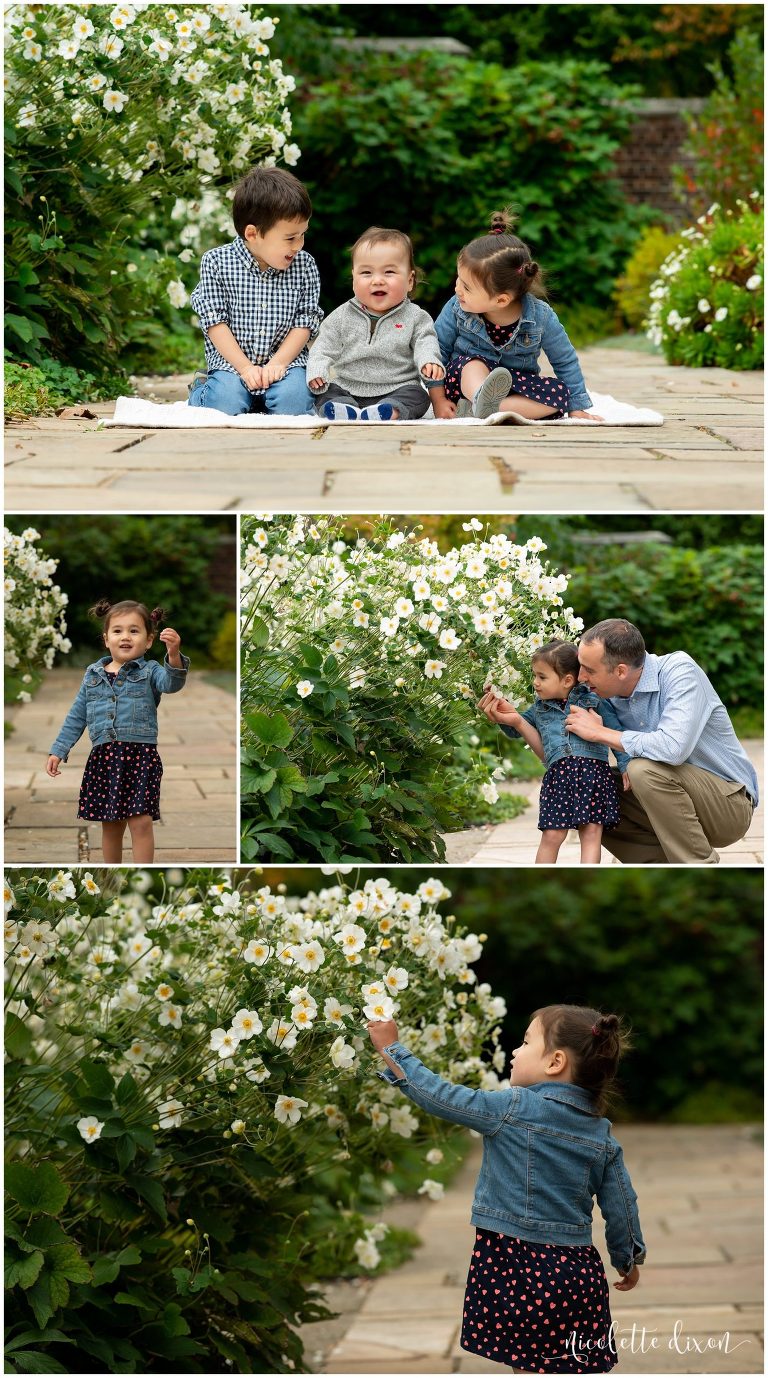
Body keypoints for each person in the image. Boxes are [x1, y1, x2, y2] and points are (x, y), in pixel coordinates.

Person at [368, 1005, 645, 1374]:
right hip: (578, 1275)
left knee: (529, 1367)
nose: (515, 1050)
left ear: (555, 1062)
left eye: (526, 1041)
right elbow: (622, 1206)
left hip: (516, 1267)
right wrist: (627, 1258)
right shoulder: (601, 1133)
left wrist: (393, 1049)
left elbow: (440, 1096)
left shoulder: (510, 1108)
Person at [566, 619, 759, 864]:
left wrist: (600, 733)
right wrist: (518, 721)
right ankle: (662, 869)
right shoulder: (605, 694)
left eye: (589, 670)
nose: (581, 677)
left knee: (643, 770)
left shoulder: (679, 672)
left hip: (729, 806)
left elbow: (673, 748)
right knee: (584, 785)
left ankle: (698, 868)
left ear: (621, 671)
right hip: (669, 801)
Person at [46, 600, 189, 864]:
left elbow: (172, 684)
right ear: (106, 639)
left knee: (141, 821)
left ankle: (141, 871)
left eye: (134, 631)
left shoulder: (151, 671)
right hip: (104, 759)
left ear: (148, 641)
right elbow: (78, 715)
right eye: (118, 631)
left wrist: (173, 654)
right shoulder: (93, 675)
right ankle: (113, 874)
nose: (125, 637)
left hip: (140, 756)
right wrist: (59, 749)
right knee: (111, 825)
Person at [430, 208, 602, 421]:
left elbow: (564, 360)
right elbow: (436, 352)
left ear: (501, 300)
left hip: (515, 384)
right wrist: (438, 400)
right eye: (458, 279)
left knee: (561, 394)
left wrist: (576, 406)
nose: (457, 289)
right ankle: (478, 399)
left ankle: (492, 407)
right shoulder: (457, 307)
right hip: (463, 383)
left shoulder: (541, 317)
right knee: (472, 364)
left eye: (466, 287)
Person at [478, 640, 631, 864]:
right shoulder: (538, 708)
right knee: (552, 835)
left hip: (594, 776)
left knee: (591, 834)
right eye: (535, 676)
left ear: (567, 680)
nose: (535, 683)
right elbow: (514, 728)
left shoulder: (593, 699)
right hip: (559, 778)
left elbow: (614, 731)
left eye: (542, 677)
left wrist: (626, 764)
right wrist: (500, 710)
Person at [188, 166, 321, 416]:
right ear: (253, 234)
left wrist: (279, 363)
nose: (299, 245)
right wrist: (246, 368)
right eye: (290, 238)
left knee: (294, 402)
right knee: (223, 404)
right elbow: (215, 323)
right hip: (232, 364)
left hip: (286, 363)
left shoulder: (305, 266)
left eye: (303, 235)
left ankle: (263, 400)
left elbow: (305, 321)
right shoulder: (216, 262)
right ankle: (202, 390)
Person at [306, 227, 445, 420]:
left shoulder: (415, 317)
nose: (377, 280)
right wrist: (317, 370)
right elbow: (323, 347)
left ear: (410, 280)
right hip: (348, 386)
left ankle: (389, 411)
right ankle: (341, 409)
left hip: (397, 387)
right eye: (366, 273)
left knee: (419, 396)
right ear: (354, 279)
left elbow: (426, 342)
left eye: (389, 272)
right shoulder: (341, 316)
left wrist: (428, 361)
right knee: (324, 392)